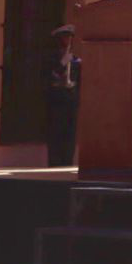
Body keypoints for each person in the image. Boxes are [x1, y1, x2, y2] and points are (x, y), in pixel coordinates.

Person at [44, 23, 81, 166]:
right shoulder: (51, 58)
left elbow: (78, 80)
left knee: (69, 135)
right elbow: (49, 76)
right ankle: (55, 163)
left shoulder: (75, 59)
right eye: (65, 38)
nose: (68, 41)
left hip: (70, 101)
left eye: (70, 38)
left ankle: (67, 162)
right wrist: (61, 64)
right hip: (57, 101)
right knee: (56, 135)